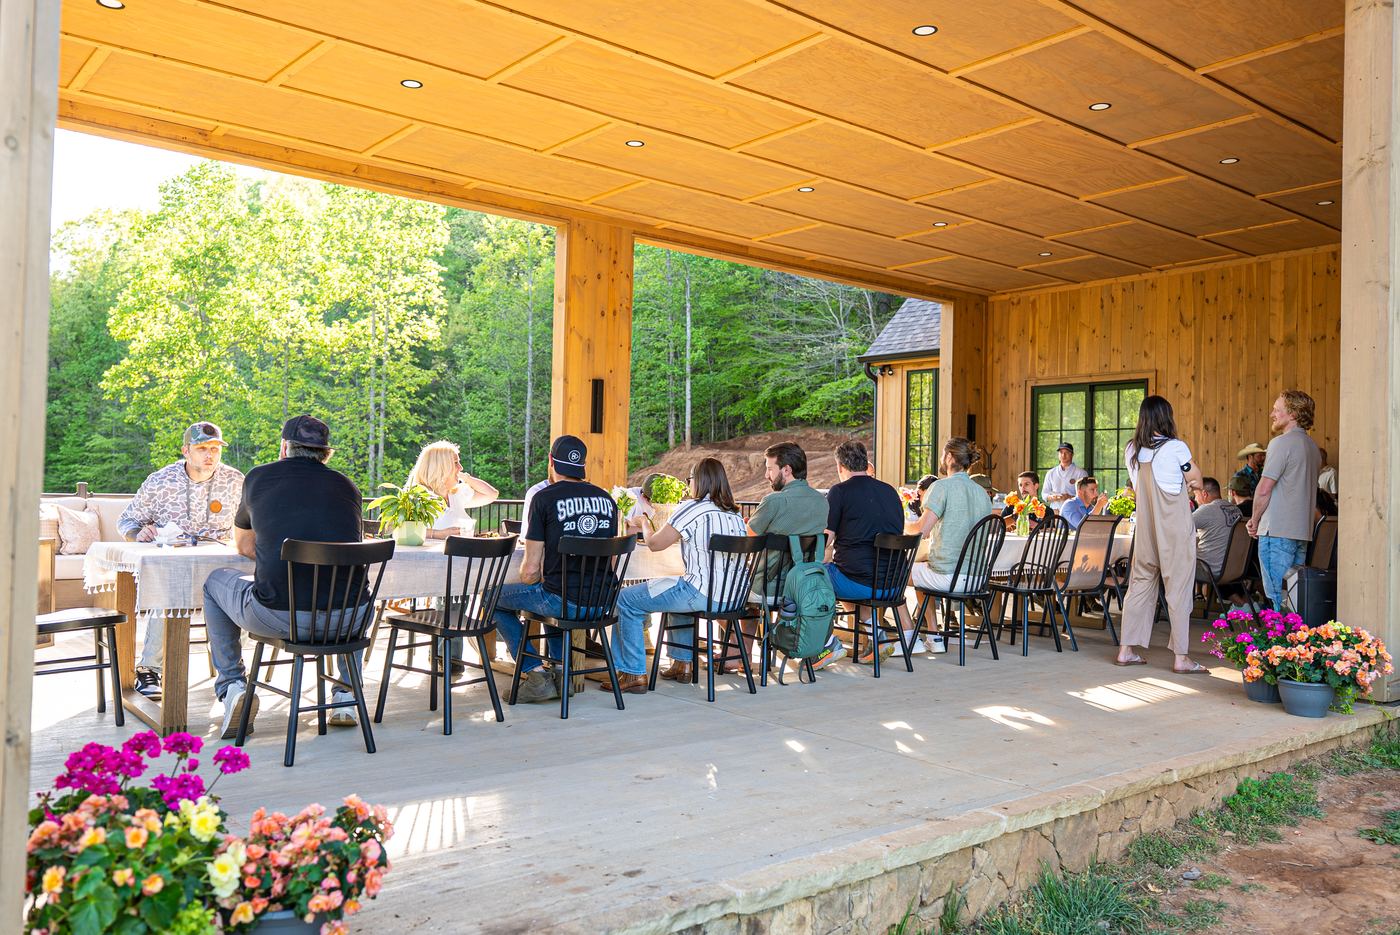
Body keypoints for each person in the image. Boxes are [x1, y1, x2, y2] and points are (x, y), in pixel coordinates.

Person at [203, 415, 365, 738]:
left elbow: (245, 545)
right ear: (325, 454)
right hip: (346, 623)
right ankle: (345, 694)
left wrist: (279, 550)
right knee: (353, 596)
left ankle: (234, 687)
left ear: (284, 448)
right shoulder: (348, 487)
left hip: (281, 616)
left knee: (213, 584)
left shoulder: (259, 479)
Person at [118, 421, 245, 701]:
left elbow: (252, 523)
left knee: (248, 589)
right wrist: (139, 533)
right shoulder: (160, 480)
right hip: (173, 567)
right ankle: (149, 669)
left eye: (215, 449)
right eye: (202, 449)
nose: (210, 455)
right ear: (186, 450)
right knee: (168, 589)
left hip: (221, 568)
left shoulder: (236, 480)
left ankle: (233, 674)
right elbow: (126, 520)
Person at [491, 435, 620, 703]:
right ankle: (562, 675)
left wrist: (538, 578)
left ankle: (535, 674)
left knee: (493, 599)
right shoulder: (608, 500)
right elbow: (611, 562)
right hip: (602, 603)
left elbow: (529, 572)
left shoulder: (543, 498)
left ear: (551, 461)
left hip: (564, 602)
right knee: (550, 596)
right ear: (583, 465)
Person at [614, 458, 748, 686]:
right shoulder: (734, 514)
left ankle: (632, 672)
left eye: (690, 480)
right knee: (677, 589)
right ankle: (682, 662)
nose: (689, 484)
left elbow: (656, 544)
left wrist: (644, 523)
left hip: (703, 594)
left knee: (625, 599)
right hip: (733, 598)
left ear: (700, 481)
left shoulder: (692, 508)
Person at [1115, 395, 1208, 673]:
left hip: (1145, 529)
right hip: (1174, 530)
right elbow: (1197, 480)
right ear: (1167, 417)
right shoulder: (1176, 448)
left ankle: (1126, 650)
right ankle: (1181, 658)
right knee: (1178, 587)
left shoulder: (1132, 449)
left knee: (1139, 584)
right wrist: (1189, 487)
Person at [745, 442, 835, 666]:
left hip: (767, 589)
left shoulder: (773, 501)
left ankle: (740, 656)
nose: (766, 475)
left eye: (769, 469)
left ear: (786, 470)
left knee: (727, 597)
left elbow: (748, 540)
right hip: (802, 591)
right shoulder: (821, 502)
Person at [823, 441, 912, 664]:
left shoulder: (839, 491)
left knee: (814, 576)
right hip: (893, 585)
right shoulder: (889, 491)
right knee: (853, 573)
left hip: (859, 582)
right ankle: (875, 635)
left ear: (840, 466)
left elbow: (826, 539)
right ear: (865, 462)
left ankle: (825, 644)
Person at [909, 437, 987, 651]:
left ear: (950, 457)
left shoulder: (941, 487)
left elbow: (921, 531)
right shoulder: (982, 493)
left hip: (948, 576)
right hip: (977, 578)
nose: (942, 459)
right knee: (920, 571)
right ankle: (932, 634)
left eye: (944, 454)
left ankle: (921, 634)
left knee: (897, 573)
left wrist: (899, 524)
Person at [1247, 390, 1322, 608]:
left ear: (1293, 413)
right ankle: (1292, 640)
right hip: (1301, 531)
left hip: (1277, 529)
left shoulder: (1281, 443)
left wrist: (1254, 519)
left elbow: (1264, 488)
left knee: (1276, 597)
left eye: (1277, 409)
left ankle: (1278, 642)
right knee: (1293, 598)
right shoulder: (1313, 447)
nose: (1272, 414)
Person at [404, 441, 499, 539]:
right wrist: (438, 534)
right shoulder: (416, 495)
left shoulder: (455, 493)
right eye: (455, 463)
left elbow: (492, 494)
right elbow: (403, 531)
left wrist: (467, 478)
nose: (461, 467)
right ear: (440, 467)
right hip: (431, 554)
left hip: (459, 552)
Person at [1192, 477, 1242, 580]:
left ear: (1204, 494)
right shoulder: (1236, 509)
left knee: (1167, 565)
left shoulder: (1207, 510)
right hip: (1235, 569)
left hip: (1209, 569)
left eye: (1196, 495)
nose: (1195, 499)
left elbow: (1180, 528)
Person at [1042, 442, 1088, 510]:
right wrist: (1052, 497)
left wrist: (1069, 497)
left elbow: (1086, 496)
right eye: (1061, 452)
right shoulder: (1051, 473)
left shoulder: (1081, 473)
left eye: (1066, 452)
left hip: (1074, 511)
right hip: (1055, 511)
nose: (1063, 455)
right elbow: (1044, 493)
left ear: (1072, 454)